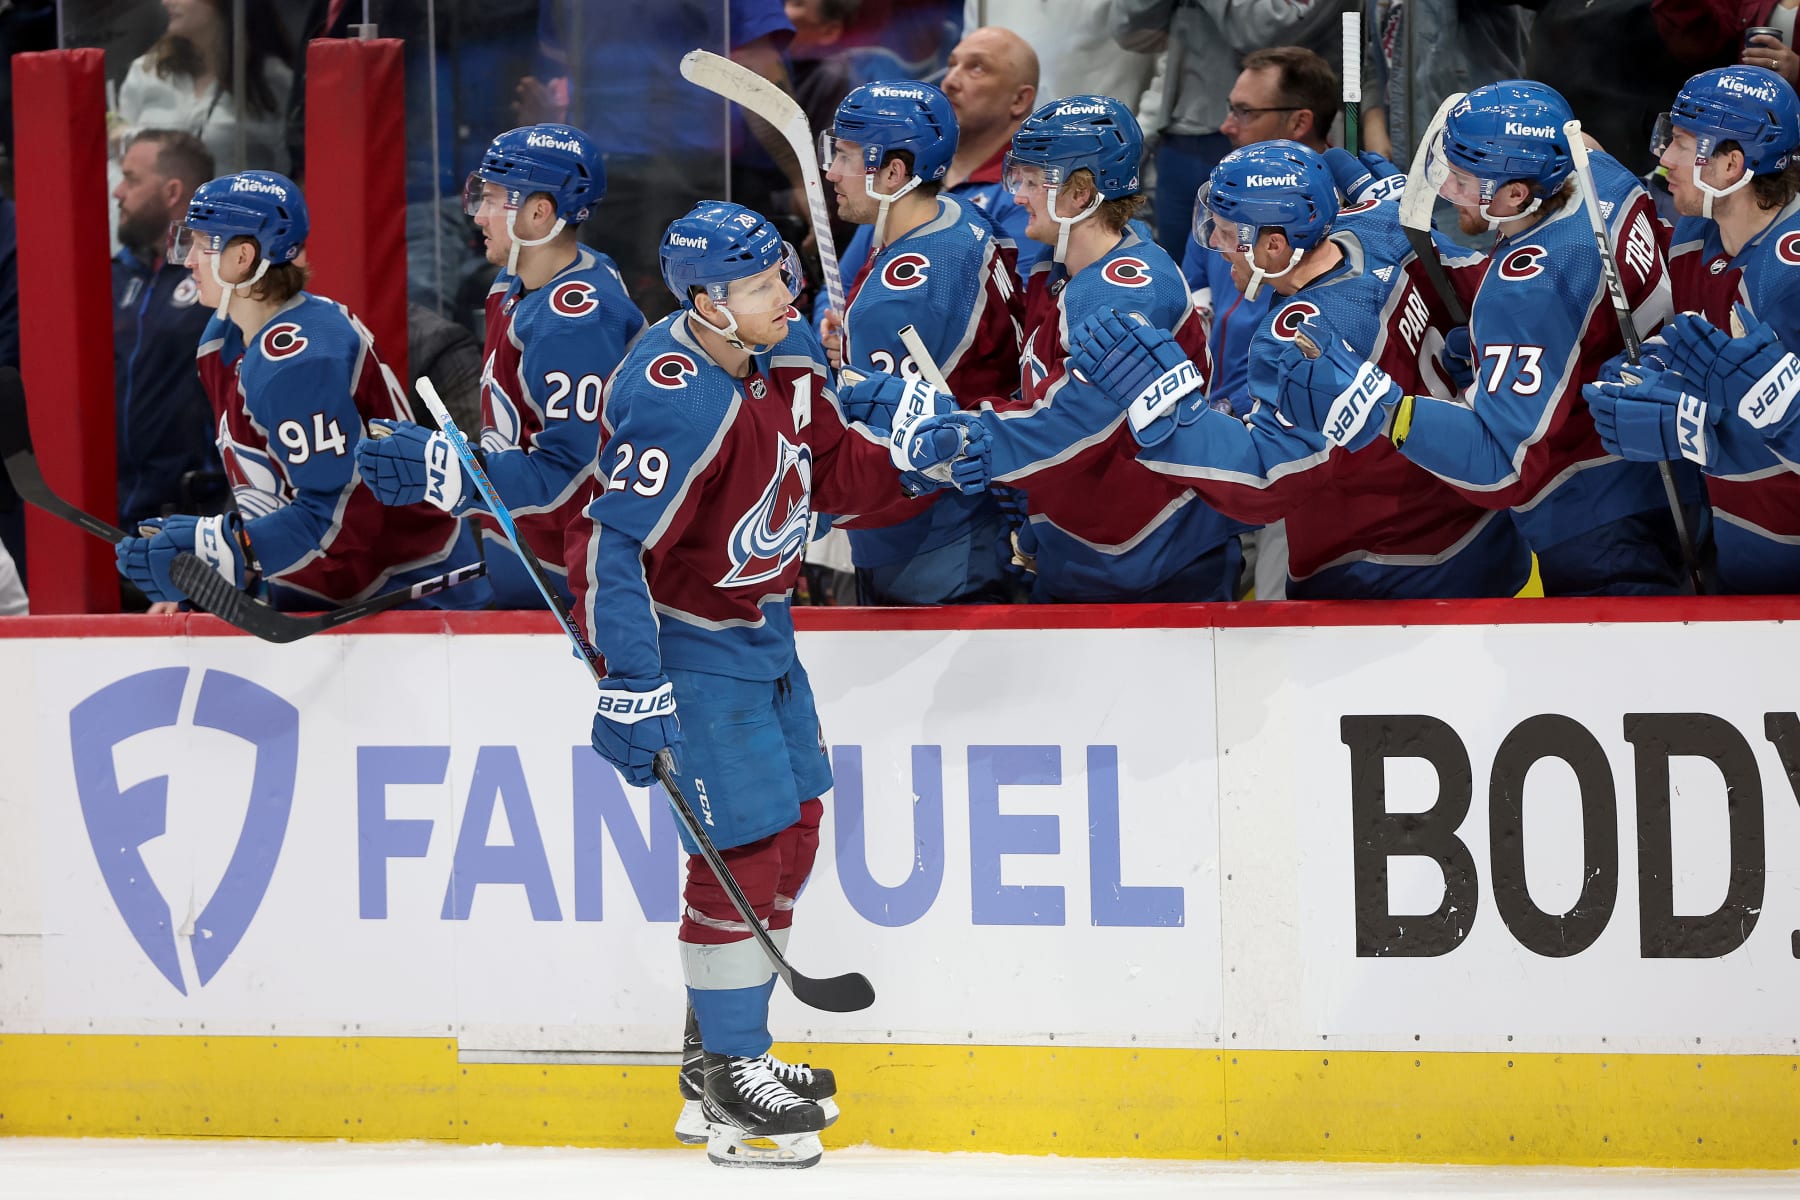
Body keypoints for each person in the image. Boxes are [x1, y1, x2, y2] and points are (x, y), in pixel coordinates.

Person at [571, 201, 968, 1168]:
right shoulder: (674, 396)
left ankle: (711, 1065)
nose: (785, 297)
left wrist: (916, 458)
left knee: (794, 833)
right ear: (706, 303)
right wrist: (630, 679)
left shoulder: (785, 361)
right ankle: (739, 1079)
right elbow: (613, 545)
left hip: (768, 639)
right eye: (759, 288)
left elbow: (829, 479)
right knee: (741, 853)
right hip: (694, 652)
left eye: (783, 276)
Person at [1272, 80, 1709, 596]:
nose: (1446, 191)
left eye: (1462, 179)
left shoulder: (1526, 291)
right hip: (1670, 469)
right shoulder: (1595, 166)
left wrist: (1383, 404)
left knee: (1625, 671)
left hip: (1598, 518)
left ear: (1517, 193)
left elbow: (1501, 467)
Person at [1064, 141, 1530, 598]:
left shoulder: (1295, 338)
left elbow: (1265, 482)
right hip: (1482, 535)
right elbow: (1481, 288)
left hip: (1384, 571)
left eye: (1228, 232)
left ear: (1273, 244)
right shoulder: (1384, 221)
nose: (1215, 245)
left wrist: (1167, 410)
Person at [889, 94, 1247, 603]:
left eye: (1033, 181)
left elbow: (1081, 420)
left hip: (1162, 561)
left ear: (1081, 195)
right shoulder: (1055, 266)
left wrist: (980, 440)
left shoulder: (1122, 292)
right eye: (1018, 177)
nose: (1017, 196)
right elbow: (1038, 384)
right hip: (1087, 552)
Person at [113, 171, 492, 612]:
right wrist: (225, 573)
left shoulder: (301, 360)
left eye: (201, 244)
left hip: (411, 595)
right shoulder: (221, 339)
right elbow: (267, 478)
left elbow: (341, 517)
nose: (188, 260)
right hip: (326, 590)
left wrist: (229, 547)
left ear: (242, 256)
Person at [355, 124, 644, 608]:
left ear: (539, 212)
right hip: (532, 571)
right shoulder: (516, 285)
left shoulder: (575, 318)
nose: (478, 216)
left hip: (577, 591)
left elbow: (576, 474)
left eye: (492, 200)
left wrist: (455, 469)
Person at [1583, 65, 1800, 593]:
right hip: (1739, 536)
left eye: (1682, 142)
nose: (1664, 156)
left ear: (1731, 163)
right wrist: (1651, 368)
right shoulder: (1694, 231)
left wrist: (1695, 430)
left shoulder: (1789, 274)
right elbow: (1697, 347)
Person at [817, 80, 1022, 605]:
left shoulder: (902, 294)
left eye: (844, 155)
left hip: (929, 540)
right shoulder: (959, 217)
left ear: (893, 172)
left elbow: (892, 453)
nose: (831, 171)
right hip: (978, 519)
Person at [1111, 0, 1342, 259]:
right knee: (1188, 274)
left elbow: (1265, 32)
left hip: (1266, 137)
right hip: (1179, 133)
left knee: (1264, 266)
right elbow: (1128, 29)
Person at [828, 25, 1043, 301]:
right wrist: (836, 329)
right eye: (951, 65)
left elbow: (1011, 307)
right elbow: (838, 286)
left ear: (1020, 99)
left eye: (977, 68)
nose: (950, 81)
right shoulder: (903, 169)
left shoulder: (1028, 190)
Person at [112, 129, 222, 535]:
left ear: (172, 191)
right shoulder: (115, 275)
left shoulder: (221, 280)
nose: (118, 192)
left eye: (132, 178)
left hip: (196, 516)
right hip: (109, 515)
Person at [118, 0, 296, 175]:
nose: (165, 2)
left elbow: (288, 165)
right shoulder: (147, 70)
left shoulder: (272, 80)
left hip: (235, 201)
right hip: (154, 202)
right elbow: (118, 153)